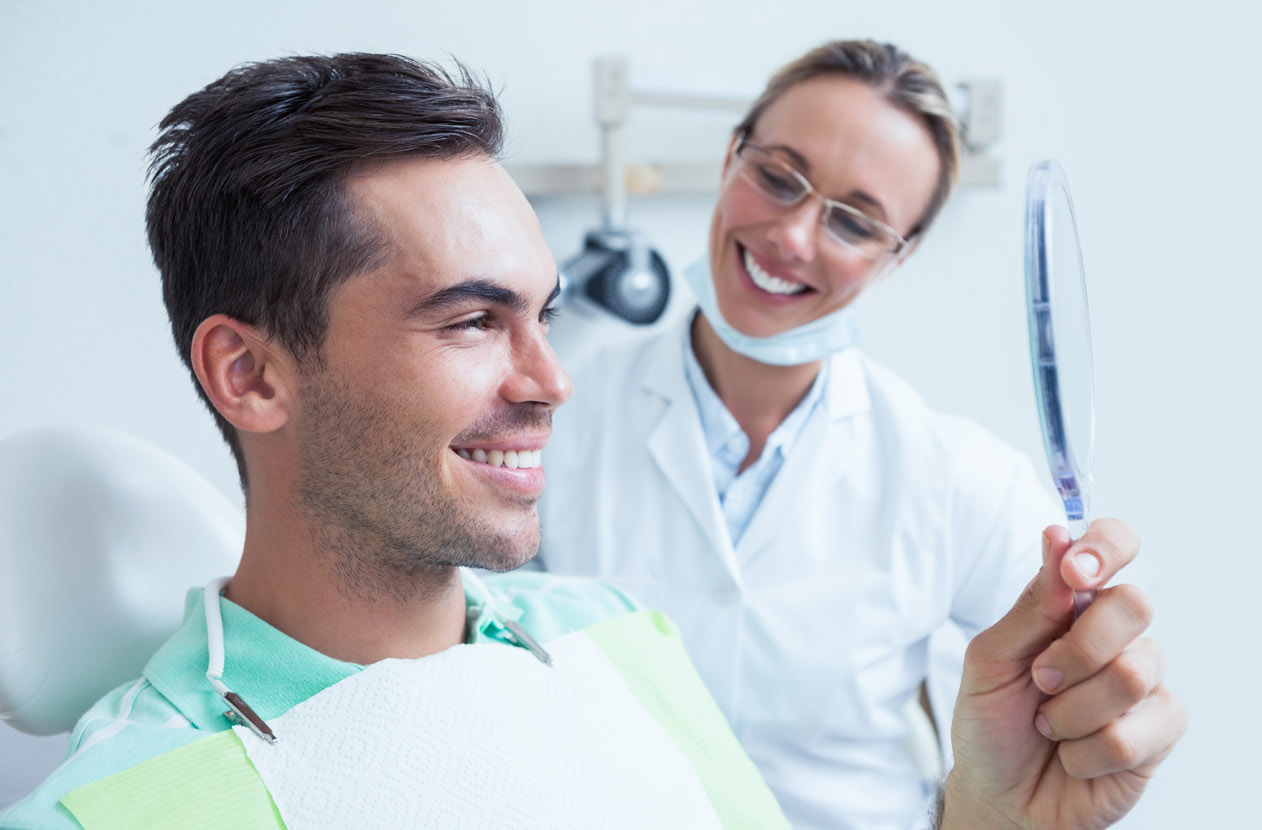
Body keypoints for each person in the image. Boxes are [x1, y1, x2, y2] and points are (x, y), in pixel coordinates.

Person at [0, 53, 1183, 830]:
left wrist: (988, 813)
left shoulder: (612, 633)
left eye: (543, 313)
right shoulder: (118, 802)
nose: (553, 381)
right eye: (472, 320)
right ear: (250, 373)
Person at [535, 40, 1166, 829]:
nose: (795, 237)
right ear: (730, 159)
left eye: (855, 221)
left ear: (899, 255)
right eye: (778, 177)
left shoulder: (958, 478)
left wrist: (1091, 687)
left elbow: (1063, 719)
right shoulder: (551, 425)